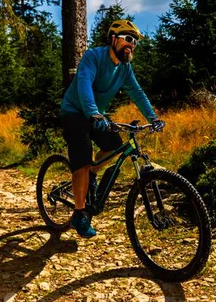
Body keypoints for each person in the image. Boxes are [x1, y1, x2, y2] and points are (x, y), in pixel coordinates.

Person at [60, 19, 165, 238]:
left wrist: (153, 118)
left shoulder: (125, 68)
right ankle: (79, 214)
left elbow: (137, 93)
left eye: (134, 41)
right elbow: (84, 84)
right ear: (114, 39)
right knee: (82, 158)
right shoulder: (93, 57)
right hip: (75, 111)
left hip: (95, 113)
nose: (131, 44)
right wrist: (93, 113)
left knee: (114, 145)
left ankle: (92, 174)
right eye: (127, 39)